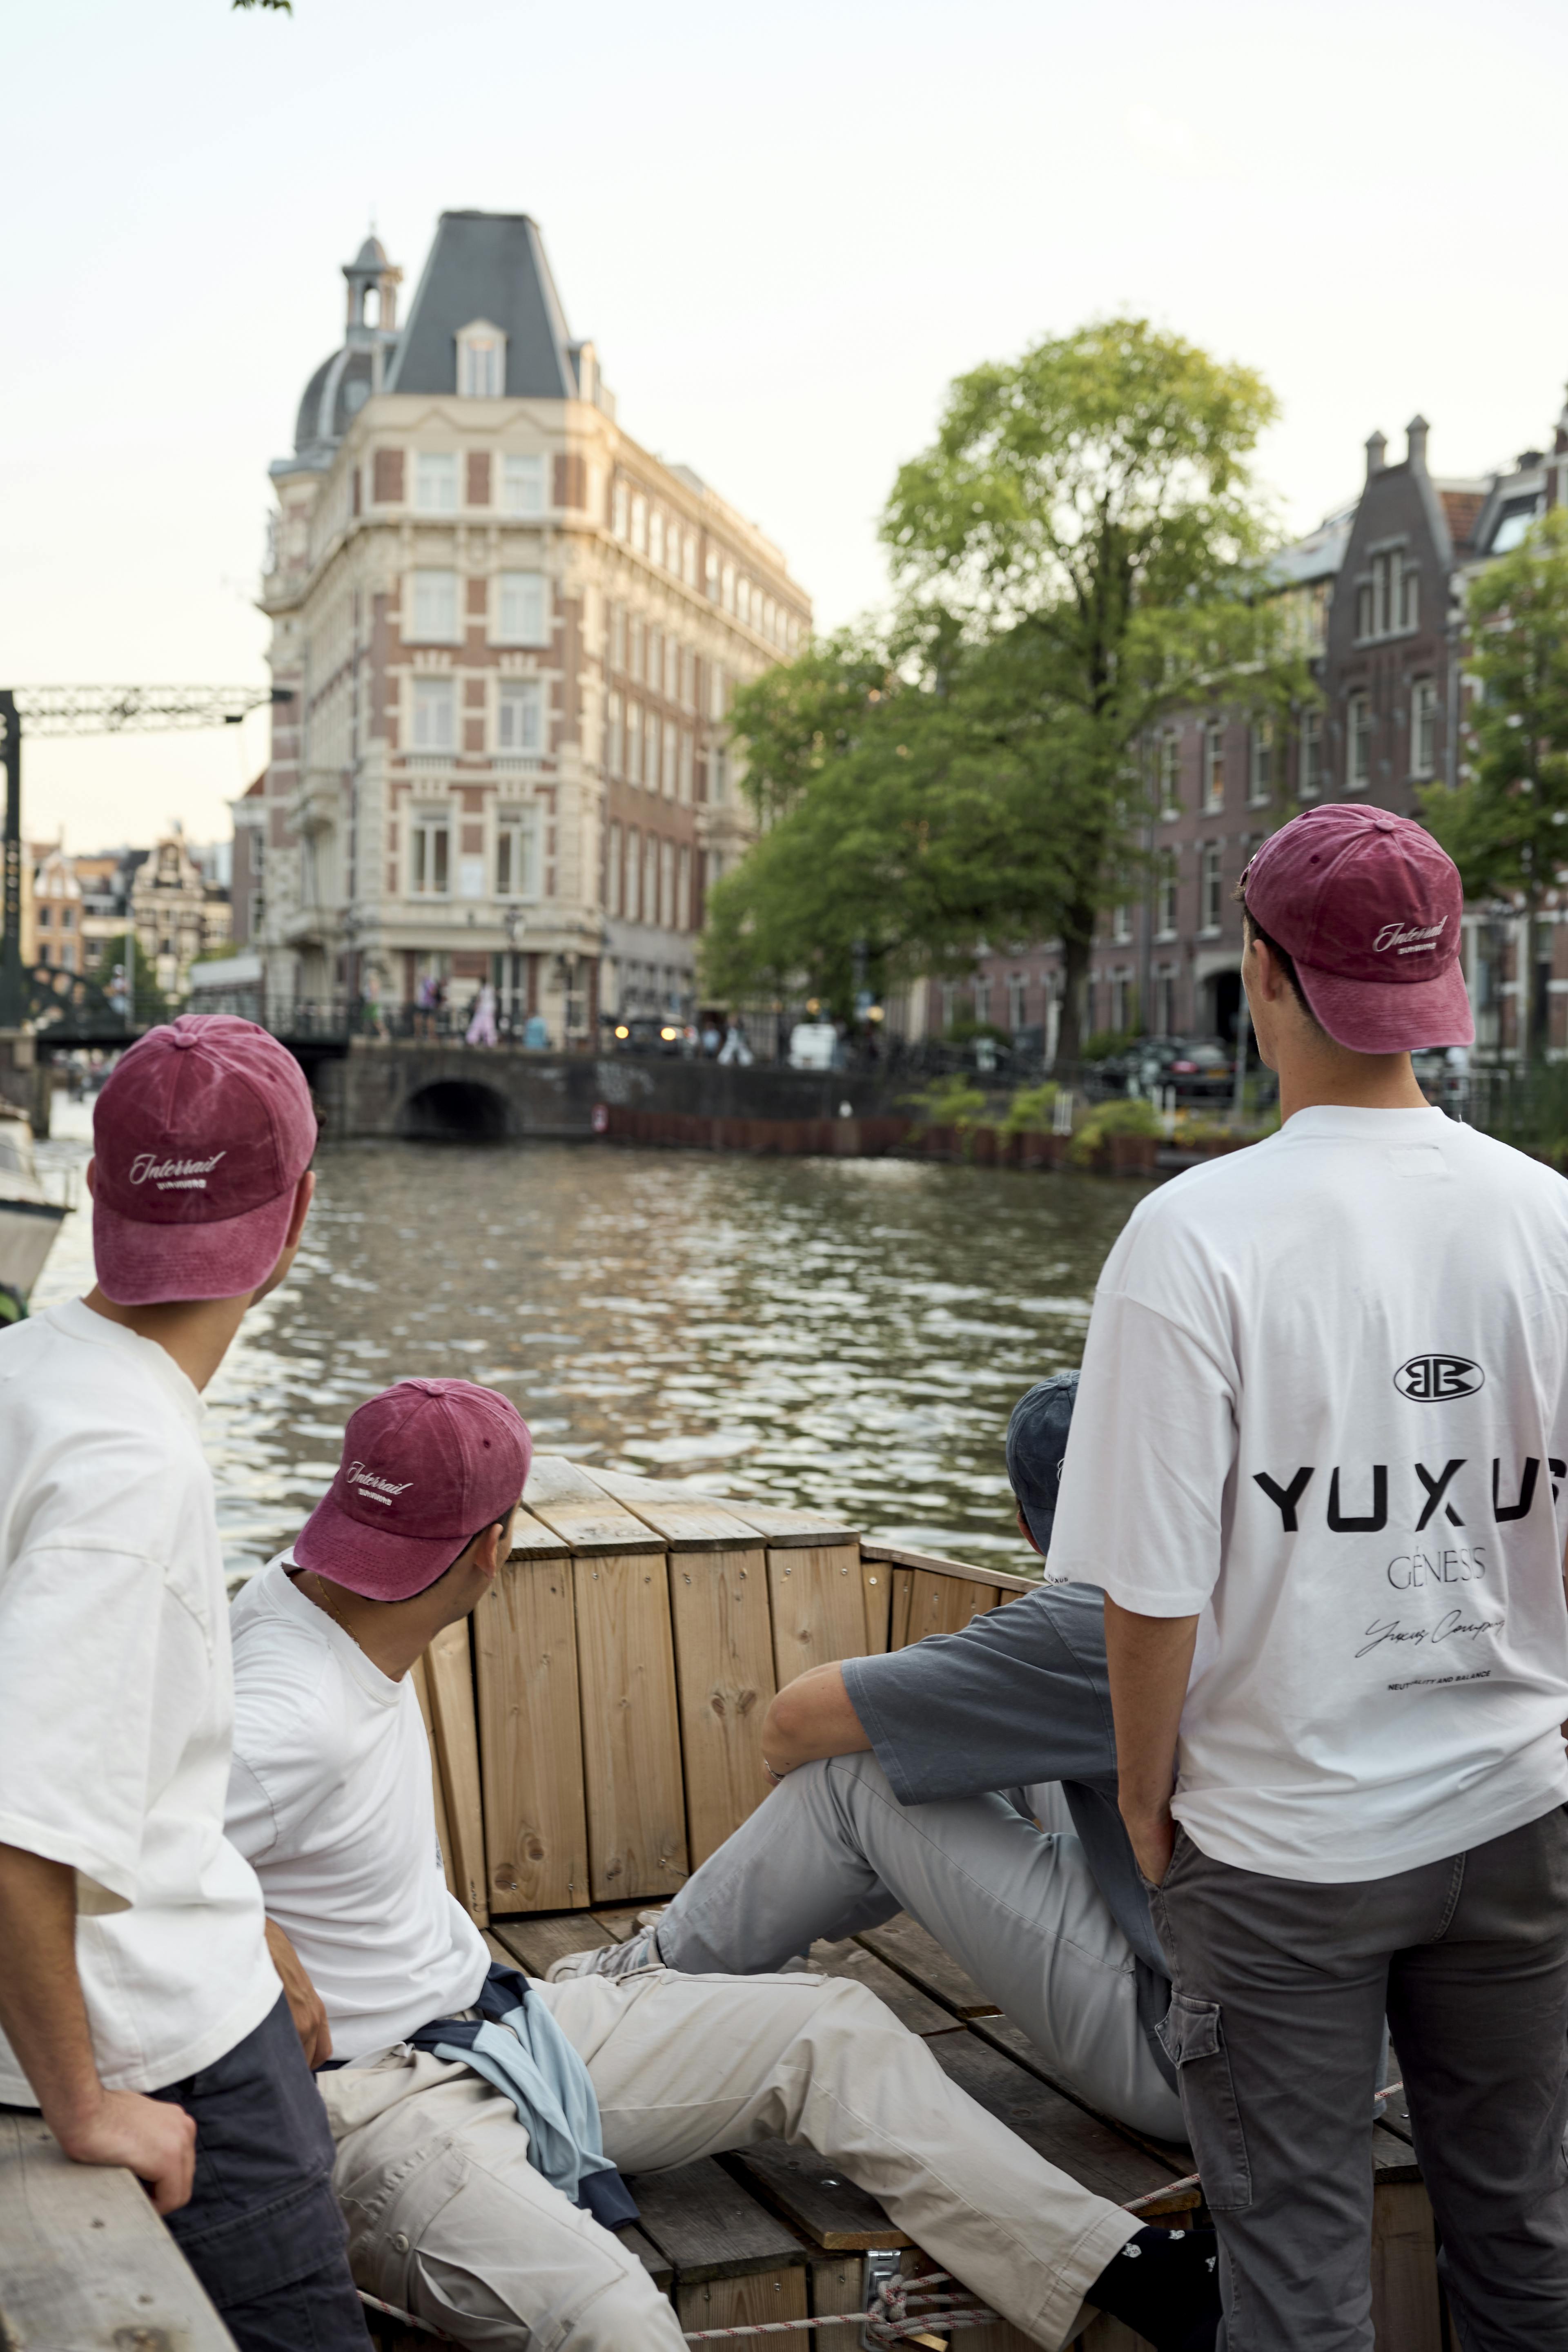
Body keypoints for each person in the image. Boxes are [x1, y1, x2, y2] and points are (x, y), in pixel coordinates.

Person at [226, 1379, 1223, 2352]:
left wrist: (232, 1898)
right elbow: (85, 1855)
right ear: (497, 1549)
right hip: (377, 2103)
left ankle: (1127, 2270)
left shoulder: (304, 1598)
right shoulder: (291, 1715)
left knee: (830, 2027)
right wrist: (238, 1916)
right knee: (615, 2322)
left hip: (493, 2024)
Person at [1049, 802, 1568, 2352]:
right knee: (1528, 2238)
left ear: (1265, 978)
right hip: (1515, 1814)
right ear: (1441, 982)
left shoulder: (1193, 1236)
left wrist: (1149, 1799)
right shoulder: (1551, 1220)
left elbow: (1148, 1590)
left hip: (1280, 1844)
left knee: (1297, 2282)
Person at [0, 1015, 370, 2352]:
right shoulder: (134, 1467)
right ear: (296, 1216)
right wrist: (86, 2099)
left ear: (98, 1194)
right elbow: (17, 1824)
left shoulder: (30, 1371)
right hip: (169, 2047)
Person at [555, 1374, 1185, 2147]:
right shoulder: (1246, 1584)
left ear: (1028, 1527)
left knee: (856, 1775)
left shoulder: (1095, 1616)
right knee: (966, 1742)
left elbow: (789, 1723)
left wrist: (863, 1744)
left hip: (1191, 2067)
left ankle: (637, 1985)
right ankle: (730, 1938)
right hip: (1322, 2058)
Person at [465, 980, 498, 1048]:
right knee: (489, 1026)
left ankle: (472, 1040)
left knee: (478, 1025)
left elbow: (480, 999)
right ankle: (490, 1041)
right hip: (488, 1010)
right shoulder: (490, 989)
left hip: (484, 1010)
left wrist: (476, 1006)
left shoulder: (484, 990)